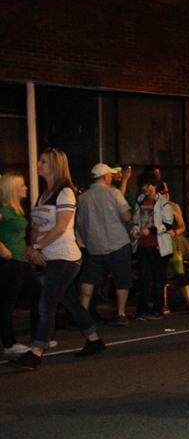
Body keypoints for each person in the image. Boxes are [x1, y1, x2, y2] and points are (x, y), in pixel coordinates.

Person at [12, 149, 106, 370]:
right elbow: (36, 225)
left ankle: (35, 354)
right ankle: (95, 341)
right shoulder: (44, 194)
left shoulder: (65, 193)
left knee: (46, 304)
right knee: (71, 303)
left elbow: (61, 227)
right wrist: (35, 249)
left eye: (43, 161)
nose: (38, 165)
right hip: (50, 257)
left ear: (54, 165)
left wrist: (36, 247)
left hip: (65, 257)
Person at [75, 163, 133, 326]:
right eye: (110, 175)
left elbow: (79, 223)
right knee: (121, 279)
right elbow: (126, 216)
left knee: (89, 280)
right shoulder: (113, 193)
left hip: (94, 246)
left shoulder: (83, 197)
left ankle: (83, 312)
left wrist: (87, 241)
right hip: (117, 243)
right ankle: (120, 313)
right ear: (105, 176)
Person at [0, 174, 41, 355]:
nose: (26, 188)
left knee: (38, 294)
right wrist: (2, 248)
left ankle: (39, 337)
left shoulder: (16, 210)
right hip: (9, 261)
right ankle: (9, 343)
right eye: (22, 185)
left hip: (20, 259)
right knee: (7, 302)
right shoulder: (5, 209)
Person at [132, 168, 174, 320]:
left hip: (157, 247)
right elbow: (136, 220)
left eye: (148, 184)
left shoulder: (163, 203)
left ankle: (157, 308)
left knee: (158, 280)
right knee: (142, 280)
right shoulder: (140, 201)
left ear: (155, 185)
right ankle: (143, 309)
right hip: (142, 245)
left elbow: (168, 224)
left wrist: (149, 231)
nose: (145, 188)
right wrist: (136, 231)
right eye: (143, 185)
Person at [158, 182, 189, 312]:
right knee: (161, 274)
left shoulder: (174, 206)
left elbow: (182, 225)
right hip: (159, 243)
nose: (166, 194)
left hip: (174, 242)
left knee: (179, 272)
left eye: (166, 191)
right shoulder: (154, 207)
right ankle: (163, 303)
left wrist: (174, 232)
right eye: (163, 192)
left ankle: (188, 300)